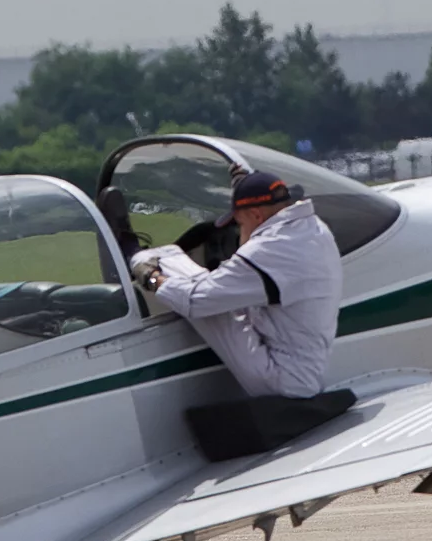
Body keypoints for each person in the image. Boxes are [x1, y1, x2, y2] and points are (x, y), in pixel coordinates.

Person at [131, 170, 342, 399]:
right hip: (308, 372)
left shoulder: (268, 251)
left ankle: (138, 254)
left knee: (206, 302)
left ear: (257, 215)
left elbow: (195, 301)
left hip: (281, 379)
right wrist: (249, 186)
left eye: (239, 223)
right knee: (221, 295)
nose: (239, 229)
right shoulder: (312, 228)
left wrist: (152, 277)